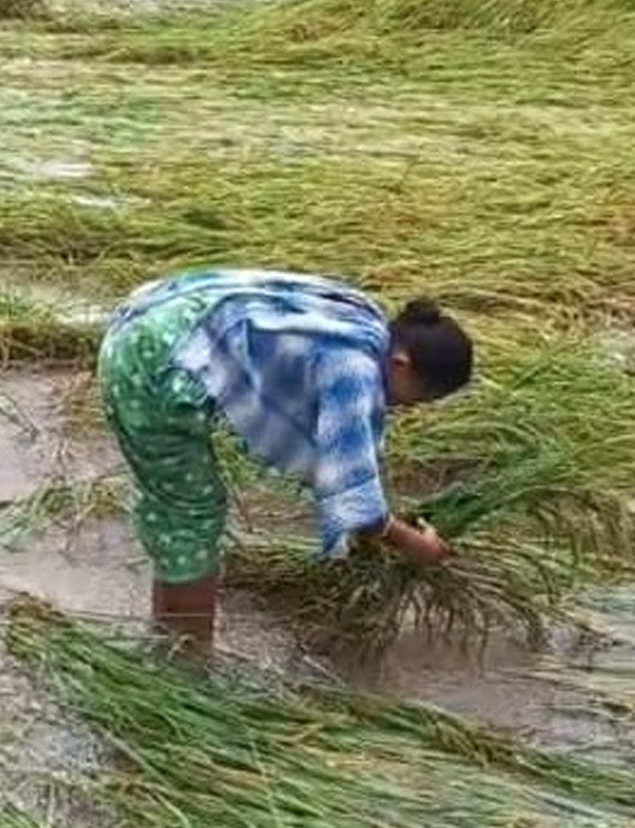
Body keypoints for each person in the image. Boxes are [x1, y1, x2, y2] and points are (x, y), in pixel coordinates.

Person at [97, 268, 474, 654]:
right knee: (191, 518)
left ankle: (169, 638)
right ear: (401, 363)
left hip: (156, 317)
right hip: (154, 366)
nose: (402, 410)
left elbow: (340, 452)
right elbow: (354, 502)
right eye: (412, 400)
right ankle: (190, 663)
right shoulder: (354, 369)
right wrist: (412, 543)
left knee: (178, 511)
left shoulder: (363, 317)